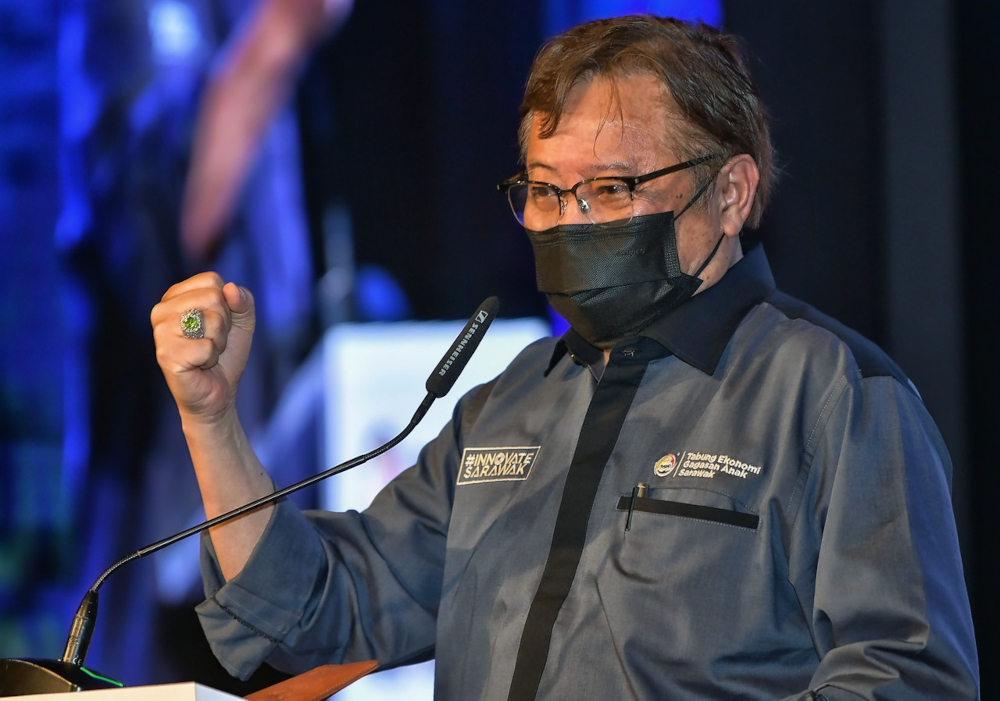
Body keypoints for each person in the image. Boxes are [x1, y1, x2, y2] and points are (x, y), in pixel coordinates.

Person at [151, 15, 980, 700]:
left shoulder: (834, 396)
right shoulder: (510, 406)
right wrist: (212, 420)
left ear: (730, 193)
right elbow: (314, 609)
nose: (572, 222)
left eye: (612, 189)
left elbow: (903, 678)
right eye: (546, 191)